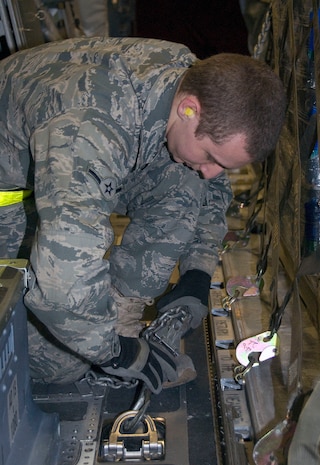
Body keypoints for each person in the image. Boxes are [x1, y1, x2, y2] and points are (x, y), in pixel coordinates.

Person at [0, 37, 286, 394]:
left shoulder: (191, 82)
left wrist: (196, 273)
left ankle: (120, 314)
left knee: (183, 177)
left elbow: (209, 192)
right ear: (189, 109)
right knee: (60, 361)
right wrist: (115, 355)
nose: (213, 172)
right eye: (212, 156)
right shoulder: (92, 127)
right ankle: (105, 341)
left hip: (50, 176)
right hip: (8, 200)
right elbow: (63, 280)